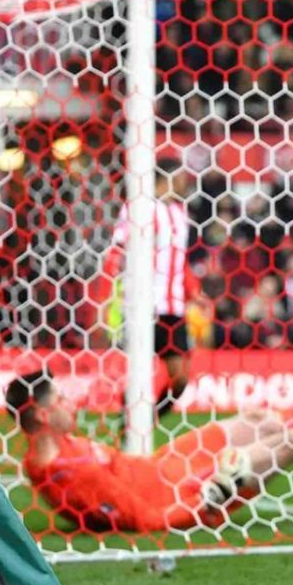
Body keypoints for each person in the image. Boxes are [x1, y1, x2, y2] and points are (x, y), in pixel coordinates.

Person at [4, 372, 293, 533]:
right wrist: (197, 503)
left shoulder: (53, 452)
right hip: (184, 491)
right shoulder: (68, 475)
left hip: (165, 465)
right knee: (290, 442)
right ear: (40, 413)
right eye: (59, 399)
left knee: (262, 420)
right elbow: (140, 517)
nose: (69, 403)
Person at [99, 158, 192, 417]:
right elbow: (115, 253)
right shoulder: (138, 208)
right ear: (168, 179)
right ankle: (130, 428)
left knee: (181, 377)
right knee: (138, 378)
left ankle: (146, 421)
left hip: (173, 307)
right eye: (181, 177)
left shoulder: (180, 212)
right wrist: (104, 298)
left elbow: (180, 259)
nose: (186, 183)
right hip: (143, 305)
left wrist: (194, 292)